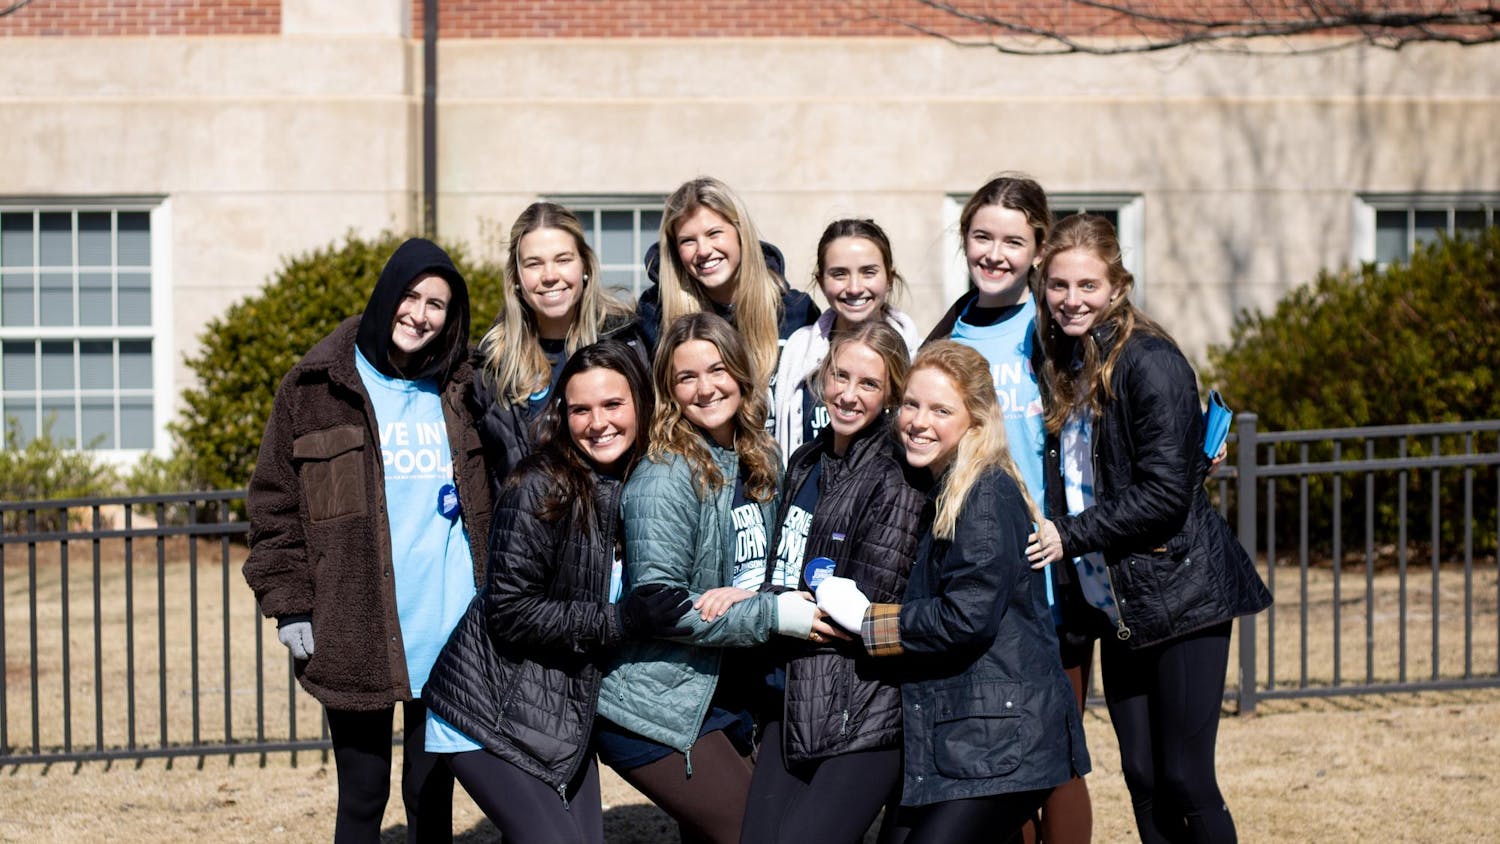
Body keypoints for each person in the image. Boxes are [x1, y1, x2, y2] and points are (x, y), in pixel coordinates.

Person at [1026, 214, 1272, 844]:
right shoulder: (1069, 358)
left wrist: (1068, 535)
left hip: (1181, 593)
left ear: (1116, 285)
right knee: (1141, 775)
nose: (1071, 299)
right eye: (1058, 285)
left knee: (1188, 779)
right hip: (1121, 605)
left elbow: (1163, 496)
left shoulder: (1148, 360)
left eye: (1087, 285)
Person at [244, 237, 490, 843]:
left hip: (451, 628)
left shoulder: (466, 387)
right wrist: (290, 604)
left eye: (438, 304)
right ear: (387, 295)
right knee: (363, 795)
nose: (420, 314)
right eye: (411, 295)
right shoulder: (315, 389)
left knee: (429, 796)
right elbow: (274, 504)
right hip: (356, 626)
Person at [816, 340, 1090, 844]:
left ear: (976, 419)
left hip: (1001, 738)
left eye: (941, 409)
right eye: (912, 405)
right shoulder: (941, 481)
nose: (919, 421)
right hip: (962, 732)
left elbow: (967, 618)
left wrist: (868, 619)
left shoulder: (983, 494)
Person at [421, 340, 692, 844]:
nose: (597, 422)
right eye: (580, 409)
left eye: (613, 404)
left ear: (641, 402)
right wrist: (622, 620)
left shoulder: (643, 484)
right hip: (489, 707)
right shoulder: (540, 485)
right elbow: (509, 611)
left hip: (560, 713)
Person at [594, 312, 841, 844]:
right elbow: (660, 605)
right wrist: (772, 613)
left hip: (727, 692)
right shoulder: (666, 472)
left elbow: (773, 565)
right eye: (687, 377)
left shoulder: (761, 457)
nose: (706, 388)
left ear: (742, 373)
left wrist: (759, 596)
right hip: (658, 705)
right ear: (669, 390)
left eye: (718, 369)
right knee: (762, 834)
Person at [925, 174, 1094, 843]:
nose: (994, 253)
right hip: (979, 581)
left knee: (1056, 754)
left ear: (1038, 249)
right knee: (1001, 760)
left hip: (1054, 581)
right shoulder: (946, 337)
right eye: (982, 236)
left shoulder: (1058, 331)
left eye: (1012, 241)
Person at [741, 320, 926, 844]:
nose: (847, 394)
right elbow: (782, 568)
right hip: (791, 693)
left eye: (868, 384)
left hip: (859, 706)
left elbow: (863, 614)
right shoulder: (808, 459)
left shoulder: (895, 478)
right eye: (840, 375)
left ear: (892, 391)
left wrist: (774, 610)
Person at [475, 201, 648, 484]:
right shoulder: (491, 365)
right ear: (517, 277)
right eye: (534, 264)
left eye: (563, 259)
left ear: (585, 266)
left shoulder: (628, 342)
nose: (550, 276)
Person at [637, 176, 820, 432]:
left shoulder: (797, 311)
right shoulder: (656, 318)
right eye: (688, 240)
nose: (703, 250)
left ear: (740, 233)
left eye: (714, 233)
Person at [771, 218, 922, 461]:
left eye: (868, 272)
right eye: (839, 274)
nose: (854, 287)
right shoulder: (797, 352)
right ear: (821, 281)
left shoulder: (916, 360)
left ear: (889, 277)